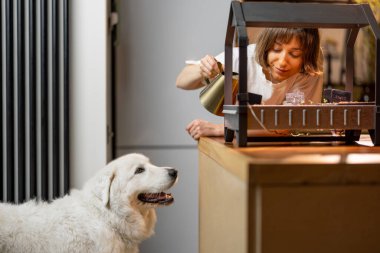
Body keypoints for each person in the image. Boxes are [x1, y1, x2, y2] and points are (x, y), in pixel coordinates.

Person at [176, 28, 323, 140]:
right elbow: (182, 81)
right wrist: (203, 70)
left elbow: (286, 124)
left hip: (280, 147)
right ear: (266, 45)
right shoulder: (243, 58)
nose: (283, 61)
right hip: (240, 144)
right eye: (277, 49)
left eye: (294, 54)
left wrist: (219, 129)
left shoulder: (308, 70)